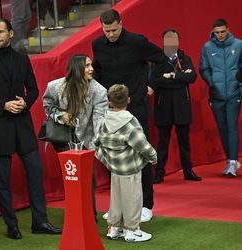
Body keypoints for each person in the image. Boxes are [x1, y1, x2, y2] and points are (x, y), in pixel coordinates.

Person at [0, 18, 62, 239]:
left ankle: (40, 221)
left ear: (11, 34)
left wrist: (25, 102)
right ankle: (11, 225)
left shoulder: (22, 59)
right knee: (2, 181)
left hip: (22, 125)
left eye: (1, 32)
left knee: (35, 172)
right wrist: (2, 105)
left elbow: (32, 89)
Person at [92, 9, 167, 222]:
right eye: (107, 31)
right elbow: (97, 71)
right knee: (113, 158)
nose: (111, 34)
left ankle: (146, 205)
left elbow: (161, 59)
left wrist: (152, 85)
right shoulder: (97, 45)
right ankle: (119, 206)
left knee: (140, 157)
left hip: (136, 108)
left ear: (121, 24)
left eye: (114, 30)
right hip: (110, 111)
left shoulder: (137, 42)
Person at [42, 54, 108, 222]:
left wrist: (95, 146)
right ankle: (74, 215)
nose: (91, 69)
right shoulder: (56, 86)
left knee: (88, 180)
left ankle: (89, 216)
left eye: (91, 65)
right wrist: (61, 115)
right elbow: (48, 106)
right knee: (71, 178)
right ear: (76, 68)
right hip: (63, 140)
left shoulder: (99, 91)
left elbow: (99, 120)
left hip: (86, 140)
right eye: (87, 66)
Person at [94, 84, 157, 242]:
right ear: (128, 100)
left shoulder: (104, 121)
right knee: (133, 198)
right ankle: (132, 231)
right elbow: (141, 144)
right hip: (130, 169)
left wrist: (106, 158)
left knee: (116, 199)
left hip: (115, 169)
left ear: (109, 102)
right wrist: (153, 157)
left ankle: (114, 228)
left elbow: (96, 142)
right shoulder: (130, 123)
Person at [153, 29, 202, 184]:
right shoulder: (158, 60)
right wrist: (181, 77)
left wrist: (173, 75)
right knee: (162, 143)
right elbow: (156, 80)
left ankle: (188, 171)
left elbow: (192, 76)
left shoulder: (185, 58)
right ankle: (159, 173)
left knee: (184, 142)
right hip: (163, 106)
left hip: (182, 105)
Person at [199, 18, 242, 176]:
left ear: (228, 29)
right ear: (213, 32)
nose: (220, 35)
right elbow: (203, 69)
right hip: (216, 95)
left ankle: (232, 162)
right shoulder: (207, 47)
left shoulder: (239, 45)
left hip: (233, 93)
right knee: (222, 128)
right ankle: (230, 160)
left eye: (223, 32)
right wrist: (211, 82)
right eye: (217, 33)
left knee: (232, 126)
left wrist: (239, 84)